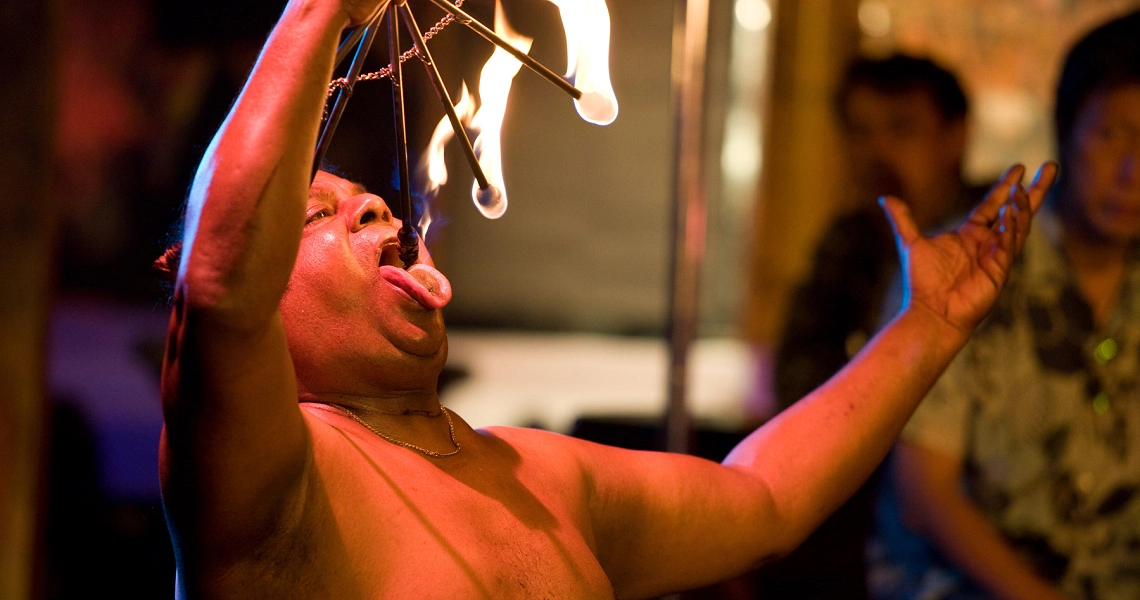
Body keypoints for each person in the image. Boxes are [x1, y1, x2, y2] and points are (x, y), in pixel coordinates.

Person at [156, 0, 1054, 597]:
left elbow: (767, 499)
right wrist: (318, 11)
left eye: (374, 202)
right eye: (317, 214)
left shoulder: (538, 474)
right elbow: (224, 280)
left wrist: (923, 332)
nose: (374, 208)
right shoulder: (275, 480)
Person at [884, 10, 1140, 600]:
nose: (1131, 171)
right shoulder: (970, 270)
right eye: (1111, 134)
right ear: (1067, 129)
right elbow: (926, 493)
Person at [767, 54, 979, 599]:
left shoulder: (989, 244)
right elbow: (795, 381)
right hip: (854, 518)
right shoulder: (850, 242)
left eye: (901, 128)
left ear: (954, 136)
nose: (875, 151)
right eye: (860, 131)